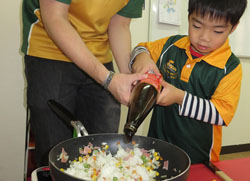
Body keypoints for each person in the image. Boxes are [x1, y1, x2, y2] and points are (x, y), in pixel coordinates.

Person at [21, 0, 146, 167]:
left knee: (102, 153)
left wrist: (130, 81)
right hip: (49, 50)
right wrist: (108, 79)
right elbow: (54, 17)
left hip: (100, 57)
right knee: (54, 154)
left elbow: (120, 25)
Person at [129, 0, 247, 164]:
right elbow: (141, 48)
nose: (204, 38)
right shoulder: (171, 46)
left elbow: (221, 114)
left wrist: (180, 97)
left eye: (218, 31)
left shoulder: (229, 67)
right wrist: (141, 58)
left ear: (233, 27)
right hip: (156, 149)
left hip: (199, 157)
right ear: (189, 17)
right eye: (197, 26)